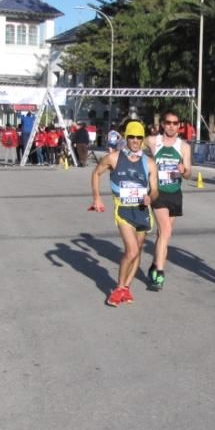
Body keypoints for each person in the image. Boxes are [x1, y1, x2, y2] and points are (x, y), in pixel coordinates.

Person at [89, 121, 159, 306]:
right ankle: (118, 289)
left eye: (138, 137)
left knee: (138, 252)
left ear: (142, 139)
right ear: (126, 138)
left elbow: (155, 190)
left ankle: (126, 288)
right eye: (132, 137)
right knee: (132, 250)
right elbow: (96, 173)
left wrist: (150, 197)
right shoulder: (113, 158)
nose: (135, 141)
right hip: (123, 209)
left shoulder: (149, 163)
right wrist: (97, 198)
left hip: (142, 211)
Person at [145, 110, 192, 292]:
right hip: (158, 192)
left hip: (175, 192)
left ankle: (155, 263)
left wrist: (183, 170)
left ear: (179, 126)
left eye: (175, 123)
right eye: (168, 122)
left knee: (162, 235)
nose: (172, 126)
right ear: (163, 124)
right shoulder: (153, 141)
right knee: (166, 230)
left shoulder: (184, 147)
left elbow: (189, 174)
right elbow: (133, 147)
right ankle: (160, 273)